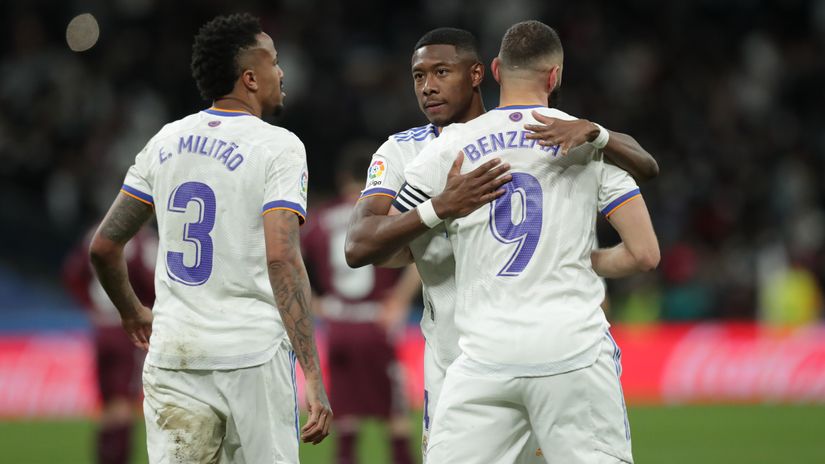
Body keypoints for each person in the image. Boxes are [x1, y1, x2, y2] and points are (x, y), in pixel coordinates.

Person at [345, 27, 658, 461]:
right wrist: (440, 209)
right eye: (418, 76)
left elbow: (379, 249)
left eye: (441, 72)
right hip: (506, 353)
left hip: (482, 358)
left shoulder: (452, 148)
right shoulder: (574, 136)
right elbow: (363, 245)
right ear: (553, 77)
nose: (428, 86)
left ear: (486, 72)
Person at [88, 13, 331, 463]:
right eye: (274, 61)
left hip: (174, 355)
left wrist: (132, 312)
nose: (282, 72)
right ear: (250, 78)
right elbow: (281, 258)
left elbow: (103, 247)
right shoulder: (278, 146)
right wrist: (313, 374)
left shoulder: (165, 142)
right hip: (251, 354)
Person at [302, 148, 420, 464]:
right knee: (394, 412)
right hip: (376, 323)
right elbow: (423, 256)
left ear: (342, 179)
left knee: (346, 411)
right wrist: (400, 299)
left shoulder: (320, 218)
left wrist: (315, 303)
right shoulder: (384, 215)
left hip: (338, 324)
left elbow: (288, 261)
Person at [64, 227, 156, 464]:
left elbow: (72, 273)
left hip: (102, 328)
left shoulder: (96, 234)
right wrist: (143, 311)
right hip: (128, 330)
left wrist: (91, 306)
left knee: (108, 404)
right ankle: (117, 457)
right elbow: (152, 281)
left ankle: (104, 457)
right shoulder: (142, 242)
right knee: (123, 403)